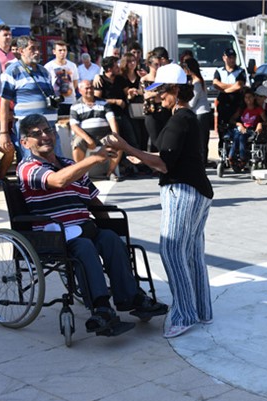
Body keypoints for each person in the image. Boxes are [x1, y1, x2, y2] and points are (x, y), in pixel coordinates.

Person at [16, 113, 168, 337]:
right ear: (25, 142)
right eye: (36, 134)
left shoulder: (69, 164)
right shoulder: (27, 168)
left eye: (47, 130)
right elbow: (58, 180)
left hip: (83, 228)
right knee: (84, 247)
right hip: (54, 235)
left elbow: (92, 198)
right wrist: (94, 159)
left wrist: (108, 224)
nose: (44, 136)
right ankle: (101, 308)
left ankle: (131, 297)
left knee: (110, 238)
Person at [102, 64, 214, 339]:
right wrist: (139, 155)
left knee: (173, 251)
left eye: (162, 91)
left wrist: (127, 147)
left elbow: (165, 163)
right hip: (196, 190)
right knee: (191, 254)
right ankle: (201, 311)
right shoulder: (185, 117)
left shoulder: (180, 119)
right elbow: (171, 159)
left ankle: (185, 314)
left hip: (183, 191)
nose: (158, 97)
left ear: (175, 90)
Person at [0, 35, 63, 161]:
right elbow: (4, 103)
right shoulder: (13, 71)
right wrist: (3, 133)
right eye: (32, 48)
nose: (37, 52)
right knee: (33, 167)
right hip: (29, 130)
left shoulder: (44, 71)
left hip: (49, 127)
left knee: (57, 164)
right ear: (21, 50)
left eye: (38, 48)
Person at [70, 80, 121, 179]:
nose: (90, 90)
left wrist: (115, 134)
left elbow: (111, 119)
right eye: (87, 88)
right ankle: (80, 174)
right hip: (85, 137)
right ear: (80, 90)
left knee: (118, 142)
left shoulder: (103, 103)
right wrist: (88, 139)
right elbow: (74, 126)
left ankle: (111, 172)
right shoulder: (75, 106)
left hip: (104, 135)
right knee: (77, 144)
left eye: (91, 88)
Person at [213, 48, 246, 147]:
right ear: (224, 58)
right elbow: (216, 84)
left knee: (235, 127)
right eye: (229, 57)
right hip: (223, 104)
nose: (232, 60)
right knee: (222, 128)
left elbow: (239, 85)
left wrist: (225, 90)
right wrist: (232, 86)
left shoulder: (240, 71)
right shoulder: (219, 71)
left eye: (233, 57)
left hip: (236, 103)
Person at [182, 57, 212, 164]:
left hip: (200, 113)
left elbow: (192, 101)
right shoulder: (199, 80)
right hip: (202, 112)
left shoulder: (197, 83)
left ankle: (202, 161)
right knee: (202, 139)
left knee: (201, 139)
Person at [228, 88, 266, 168]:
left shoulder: (258, 109)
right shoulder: (242, 109)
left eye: (250, 97)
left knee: (241, 137)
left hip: (251, 130)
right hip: (241, 129)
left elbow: (266, 121)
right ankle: (231, 156)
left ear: (253, 97)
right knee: (236, 136)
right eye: (246, 97)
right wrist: (239, 124)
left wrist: (260, 123)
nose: (248, 99)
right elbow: (232, 120)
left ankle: (242, 158)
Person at [44, 40, 79, 117]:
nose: (62, 52)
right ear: (54, 52)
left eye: (64, 50)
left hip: (70, 101)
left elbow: (75, 82)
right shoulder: (48, 66)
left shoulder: (72, 65)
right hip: (56, 102)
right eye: (60, 50)